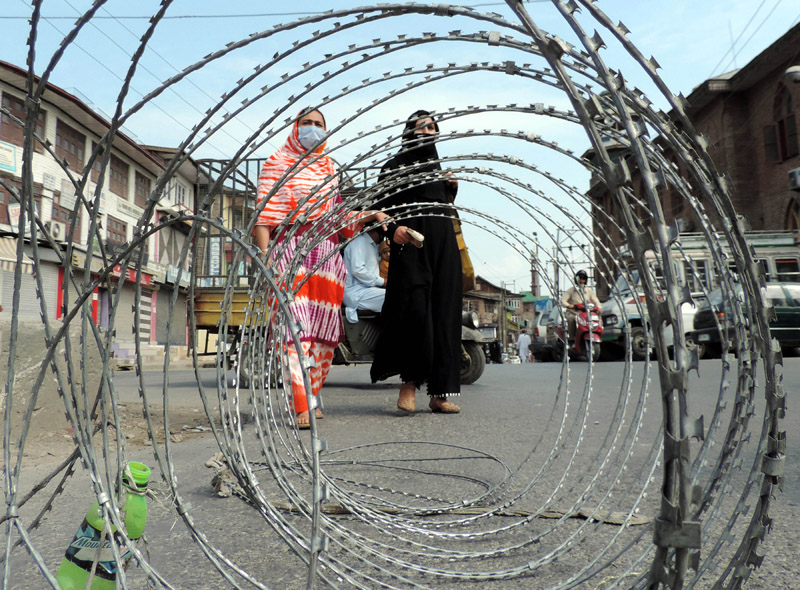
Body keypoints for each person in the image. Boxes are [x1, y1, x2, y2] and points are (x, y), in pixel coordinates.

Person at [253, 107, 387, 428]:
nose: (312, 128)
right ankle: (301, 404)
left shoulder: (328, 168)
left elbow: (338, 217)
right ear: (295, 128)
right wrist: (265, 256)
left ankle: (312, 397)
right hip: (290, 252)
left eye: (318, 124)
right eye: (306, 123)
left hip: (326, 259)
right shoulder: (277, 164)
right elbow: (264, 216)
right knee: (294, 330)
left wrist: (370, 215)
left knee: (324, 337)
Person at [370, 110, 462, 414]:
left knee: (444, 312)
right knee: (414, 311)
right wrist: (392, 231)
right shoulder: (394, 167)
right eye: (421, 127)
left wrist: (451, 190)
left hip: (444, 248)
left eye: (432, 127)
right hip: (410, 245)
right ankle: (408, 384)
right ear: (409, 132)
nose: (428, 131)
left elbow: (441, 209)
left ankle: (440, 393)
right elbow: (378, 210)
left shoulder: (438, 170)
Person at [342, 229, 386, 323]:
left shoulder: (375, 246)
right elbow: (358, 271)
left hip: (368, 291)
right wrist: (383, 282)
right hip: (356, 292)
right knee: (395, 296)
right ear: (373, 231)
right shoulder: (359, 242)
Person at [561, 270, 602, 341]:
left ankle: (596, 333)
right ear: (576, 279)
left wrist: (599, 307)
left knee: (596, 318)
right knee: (571, 319)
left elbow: (595, 300)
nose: (582, 280)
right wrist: (568, 305)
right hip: (574, 312)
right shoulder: (571, 290)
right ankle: (572, 339)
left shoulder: (588, 290)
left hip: (586, 313)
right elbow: (562, 300)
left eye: (584, 278)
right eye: (580, 278)